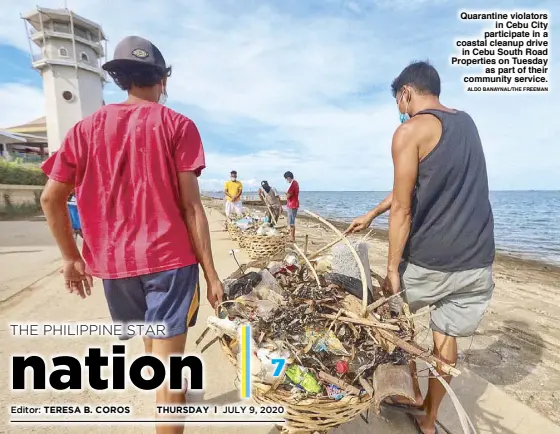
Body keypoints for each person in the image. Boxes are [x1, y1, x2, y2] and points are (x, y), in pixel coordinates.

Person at [39, 36, 224, 434]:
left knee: (149, 341)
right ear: (163, 81)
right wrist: (211, 274)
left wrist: (71, 257)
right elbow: (192, 207)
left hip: (115, 265)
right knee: (171, 378)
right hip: (170, 261)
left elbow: (51, 199)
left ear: (121, 79)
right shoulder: (177, 125)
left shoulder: (84, 129)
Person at [346, 61, 494, 434]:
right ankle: (429, 418)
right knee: (446, 336)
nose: (399, 110)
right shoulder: (467, 123)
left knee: (387, 317)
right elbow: (412, 188)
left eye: (399, 101)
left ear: (406, 93)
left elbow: (403, 206)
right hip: (477, 260)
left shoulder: (409, 131)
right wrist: (371, 213)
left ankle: (407, 391)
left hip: (431, 261)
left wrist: (393, 269)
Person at [284, 171, 300, 243]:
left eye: (286, 179)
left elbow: (288, 195)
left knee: (291, 221)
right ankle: (291, 236)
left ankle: (292, 238)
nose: (286, 180)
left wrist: (286, 194)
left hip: (292, 204)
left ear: (288, 178)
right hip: (294, 204)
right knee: (291, 220)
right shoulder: (295, 183)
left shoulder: (293, 184)